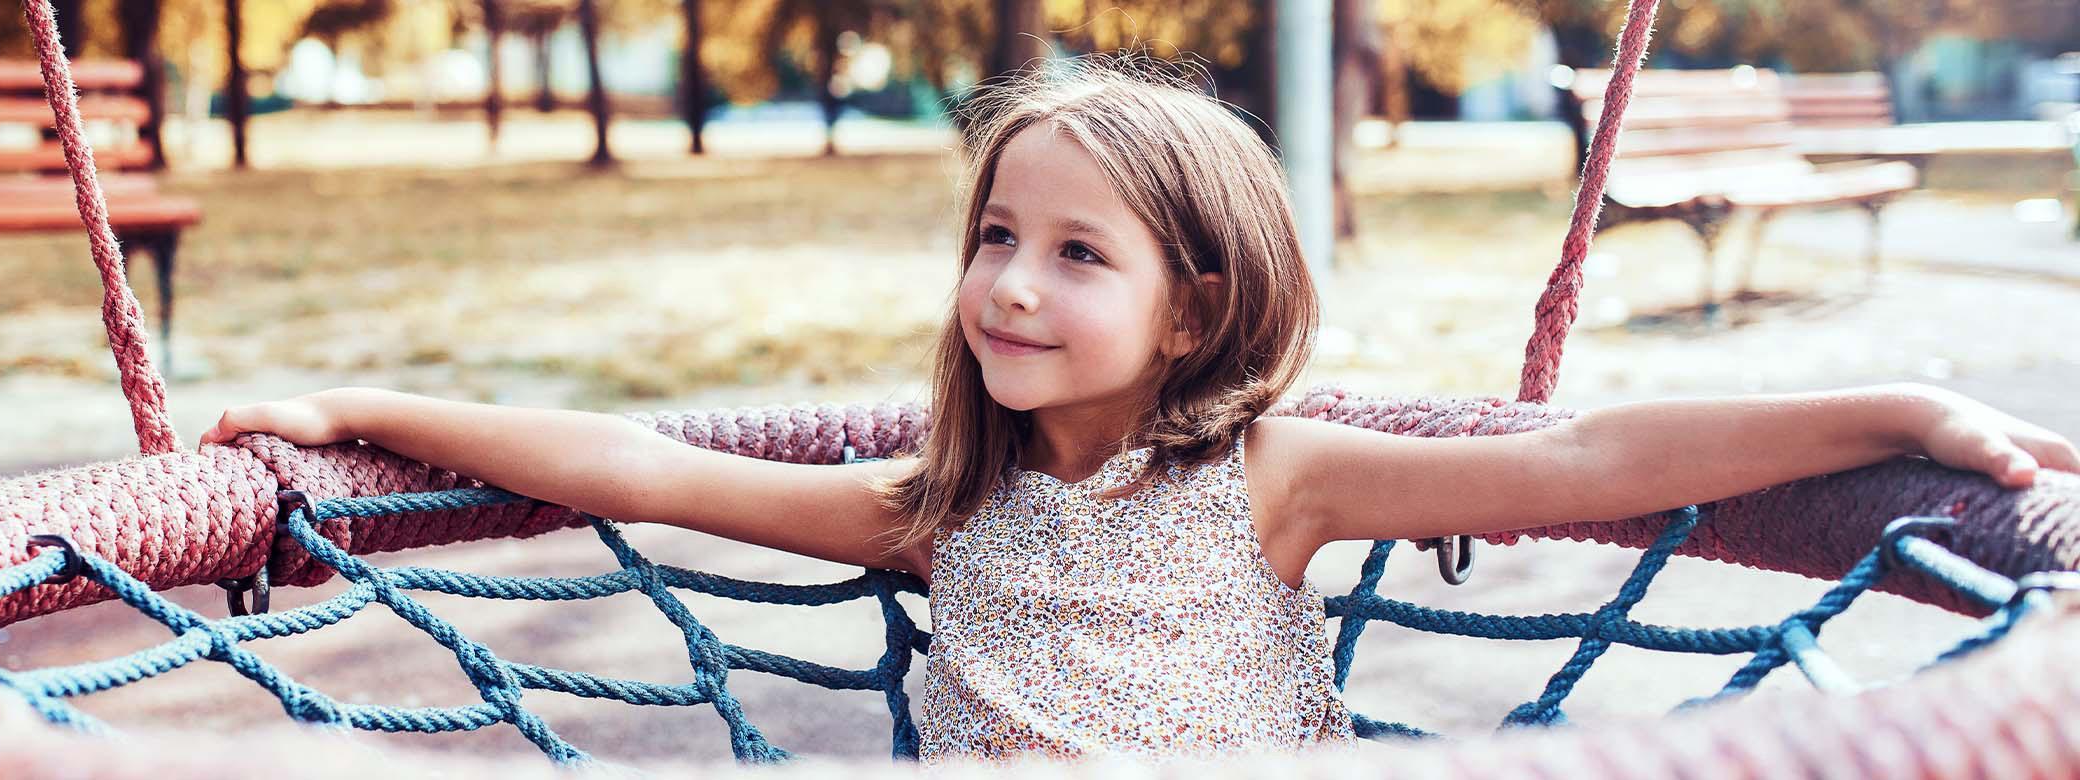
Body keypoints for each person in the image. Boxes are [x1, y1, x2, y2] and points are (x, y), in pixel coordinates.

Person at [199, 60, 2077, 762]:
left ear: (1202, 300)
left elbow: (1585, 458)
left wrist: (1890, 401)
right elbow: (643, 466)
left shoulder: (1279, 473)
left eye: (1079, 256)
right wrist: (369, 404)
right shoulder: (939, 503)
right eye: (996, 235)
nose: (1011, 286)